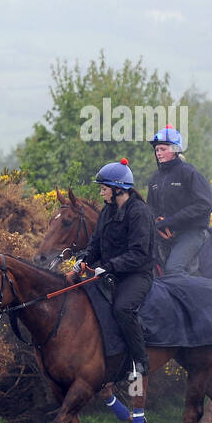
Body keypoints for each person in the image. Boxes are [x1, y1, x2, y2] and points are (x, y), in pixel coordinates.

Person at [77, 159, 158, 383]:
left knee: (122, 309)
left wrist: (109, 267)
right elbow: (95, 243)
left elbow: (139, 254)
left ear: (117, 189)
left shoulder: (139, 212)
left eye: (104, 188)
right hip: (110, 273)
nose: (102, 193)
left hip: (136, 275)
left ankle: (140, 361)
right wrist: (84, 258)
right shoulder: (107, 211)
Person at [146, 125, 212, 276]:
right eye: (157, 150)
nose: (158, 153)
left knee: (173, 270)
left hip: (191, 233)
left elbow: (206, 204)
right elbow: (150, 208)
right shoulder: (154, 179)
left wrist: (170, 221)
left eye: (163, 149)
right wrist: (155, 223)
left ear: (175, 150)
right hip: (163, 234)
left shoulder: (189, 172)